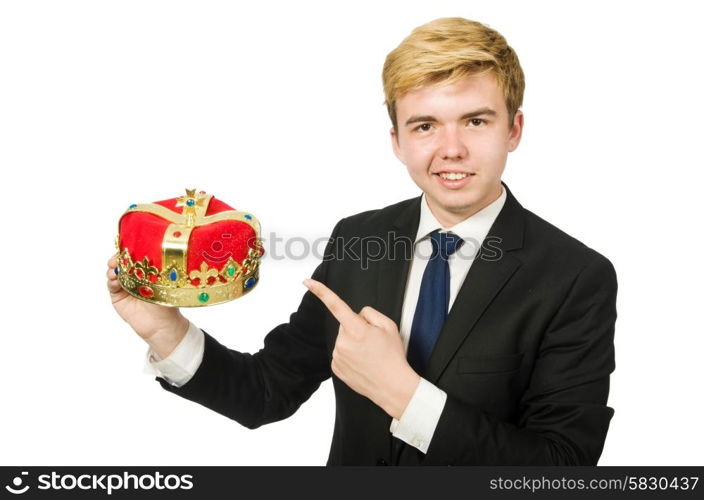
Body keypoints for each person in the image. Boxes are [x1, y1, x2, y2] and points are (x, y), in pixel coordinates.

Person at [106, 17, 618, 465]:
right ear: (396, 140)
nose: (452, 149)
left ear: (514, 129)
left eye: (476, 121)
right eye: (425, 126)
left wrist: (403, 392)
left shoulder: (575, 277)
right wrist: (165, 330)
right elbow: (265, 392)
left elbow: (561, 467)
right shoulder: (359, 239)